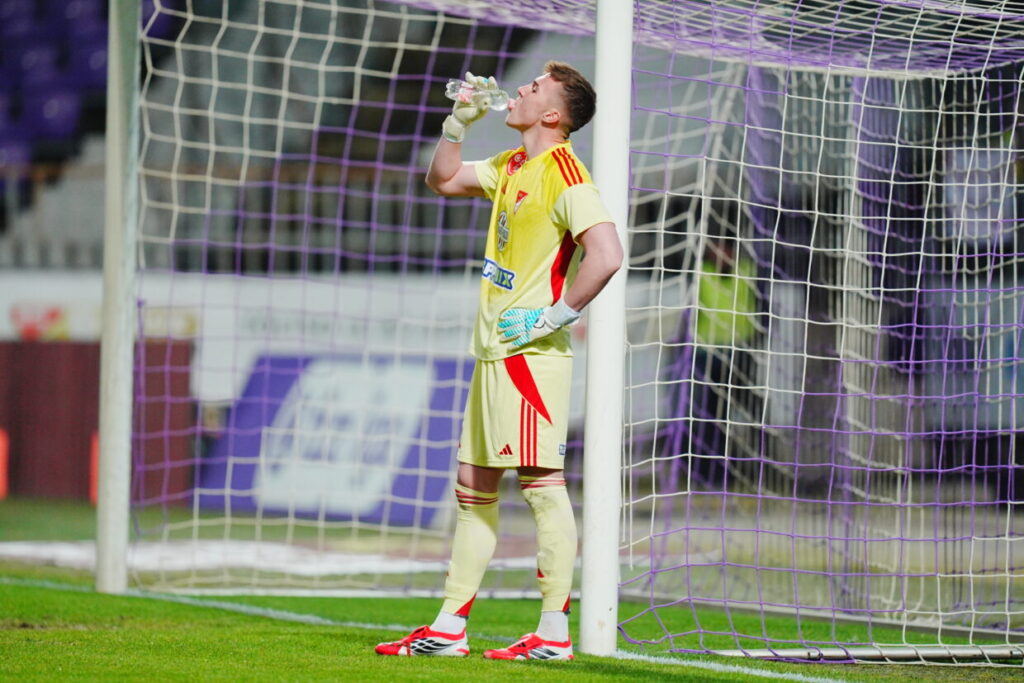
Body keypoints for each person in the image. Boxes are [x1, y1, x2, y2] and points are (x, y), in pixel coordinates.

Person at [375, 63, 622, 660]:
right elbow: (442, 179)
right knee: (473, 484)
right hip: (493, 350)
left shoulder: (567, 175)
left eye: (535, 88)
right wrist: (456, 125)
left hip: (529, 357)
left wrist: (555, 316)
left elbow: (608, 254)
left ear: (552, 115)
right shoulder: (512, 164)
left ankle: (554, 633)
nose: (521, 90)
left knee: (541, 485)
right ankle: (448, 628)